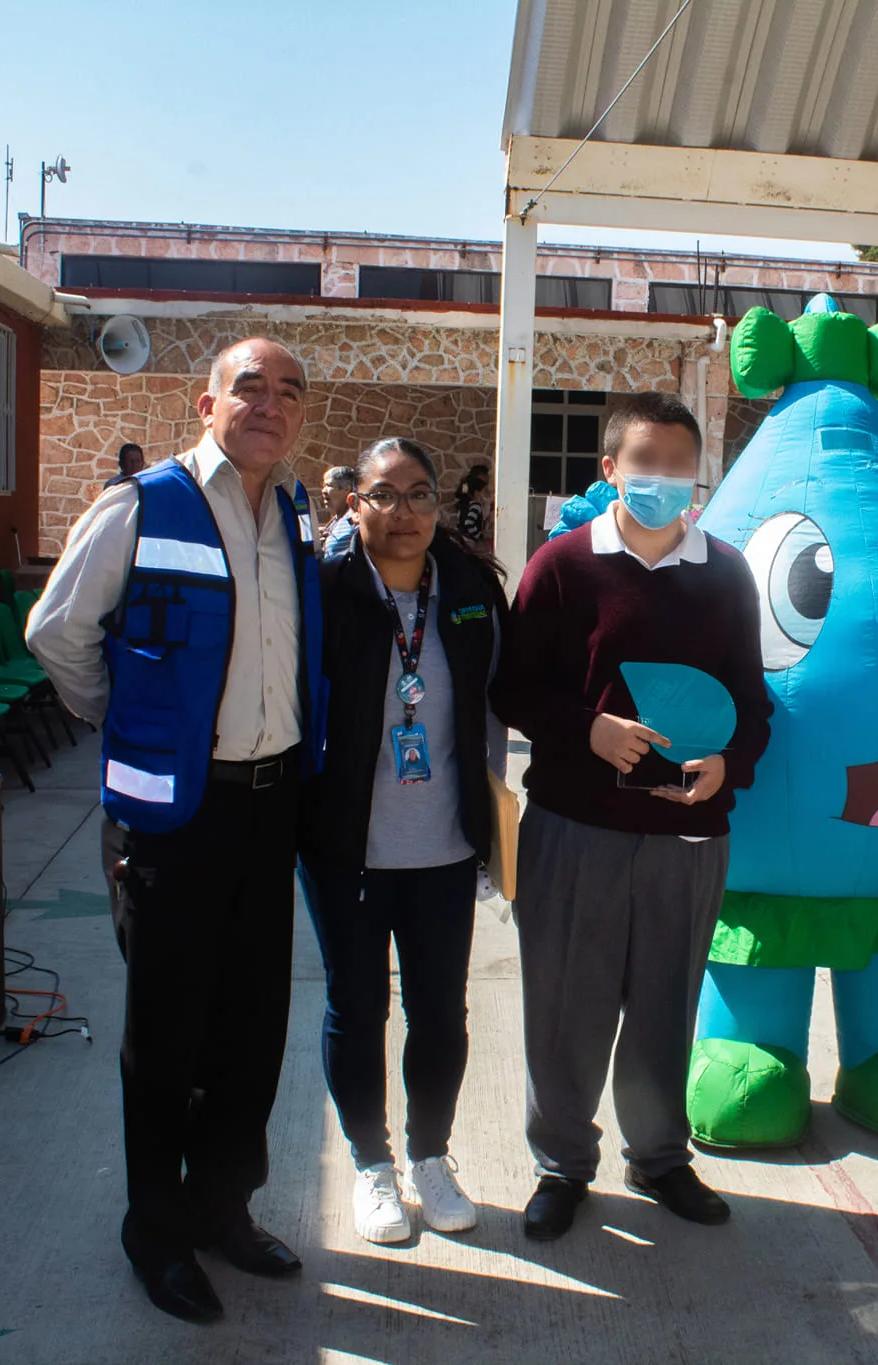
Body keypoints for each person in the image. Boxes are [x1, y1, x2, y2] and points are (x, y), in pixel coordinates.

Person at [26, 337, 328, 1323]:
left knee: (250, 1029)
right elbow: (56, 630)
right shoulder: (143, 504)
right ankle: (153, 1231)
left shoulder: (290, 517)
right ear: (207, 405)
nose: (269, 405)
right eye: (250, 387)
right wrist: (123, 718)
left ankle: (222, 1208)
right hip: (171, 816)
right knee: (166, 1036)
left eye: (288, 392)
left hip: (269, 803)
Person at [491, 392, 773, 1241]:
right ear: (609, 468)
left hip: (688, 836)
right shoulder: (564, 565)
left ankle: (659, 1156)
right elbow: (510, 685)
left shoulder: (725, 572)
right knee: (566, 1006)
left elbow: (753, 702)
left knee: (665, 1003)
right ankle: (560, 1164)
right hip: (576, 827)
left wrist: (730, 764)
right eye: (643, 463)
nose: (662, 480)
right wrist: (590, 729)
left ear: (699, 475)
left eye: (678, 466)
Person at [299, 437, 509, 1248]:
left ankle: (430, 1157)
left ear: (439, 502)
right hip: (344, 846)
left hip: (444, 848)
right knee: (356, 1008)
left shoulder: (469, 588)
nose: (404, 512)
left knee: (440, 1013)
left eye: (419, 493)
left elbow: (506, 694)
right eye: (383, 494)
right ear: (354, 503)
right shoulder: (323, 589)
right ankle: (370, 1165)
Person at [451, 463, 492, 546]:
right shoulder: (475, 505)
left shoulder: (464, 505)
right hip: (470, 542)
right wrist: (480, 537)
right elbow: (469, 523)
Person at [319, 464, 356, 550]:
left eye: (329, 485)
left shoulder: (355, 521)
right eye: (323, 486)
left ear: (346, 489)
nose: (323, 491)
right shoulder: (334, 522)